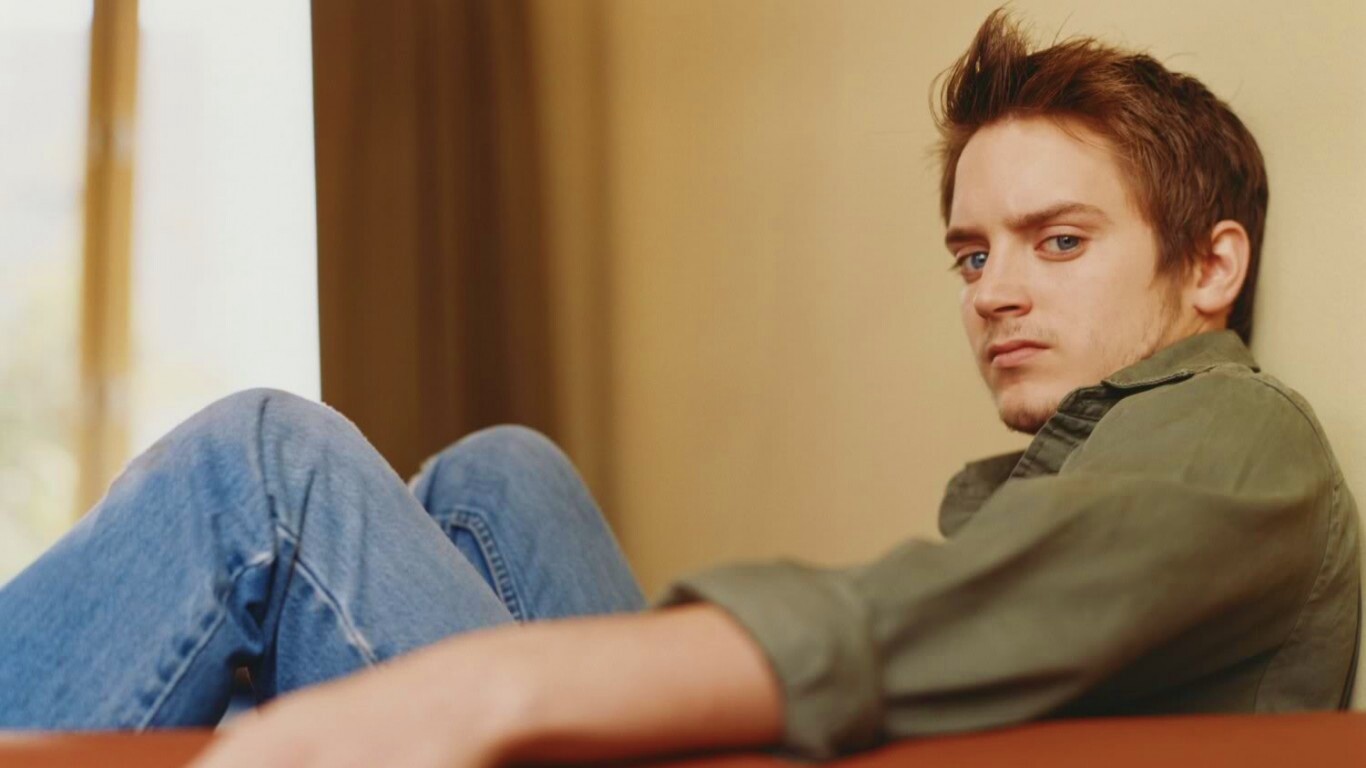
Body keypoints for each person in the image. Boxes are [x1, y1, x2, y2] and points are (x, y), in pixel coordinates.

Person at [1, 9, 1359, 766]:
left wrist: (481, 692)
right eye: (970, 252)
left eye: (1057, 242)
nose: (993, 290)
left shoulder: (1232, 432)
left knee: (265, 469)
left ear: (1210, 264)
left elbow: (951, 616)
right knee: (503, 474)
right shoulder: (1106, 458)